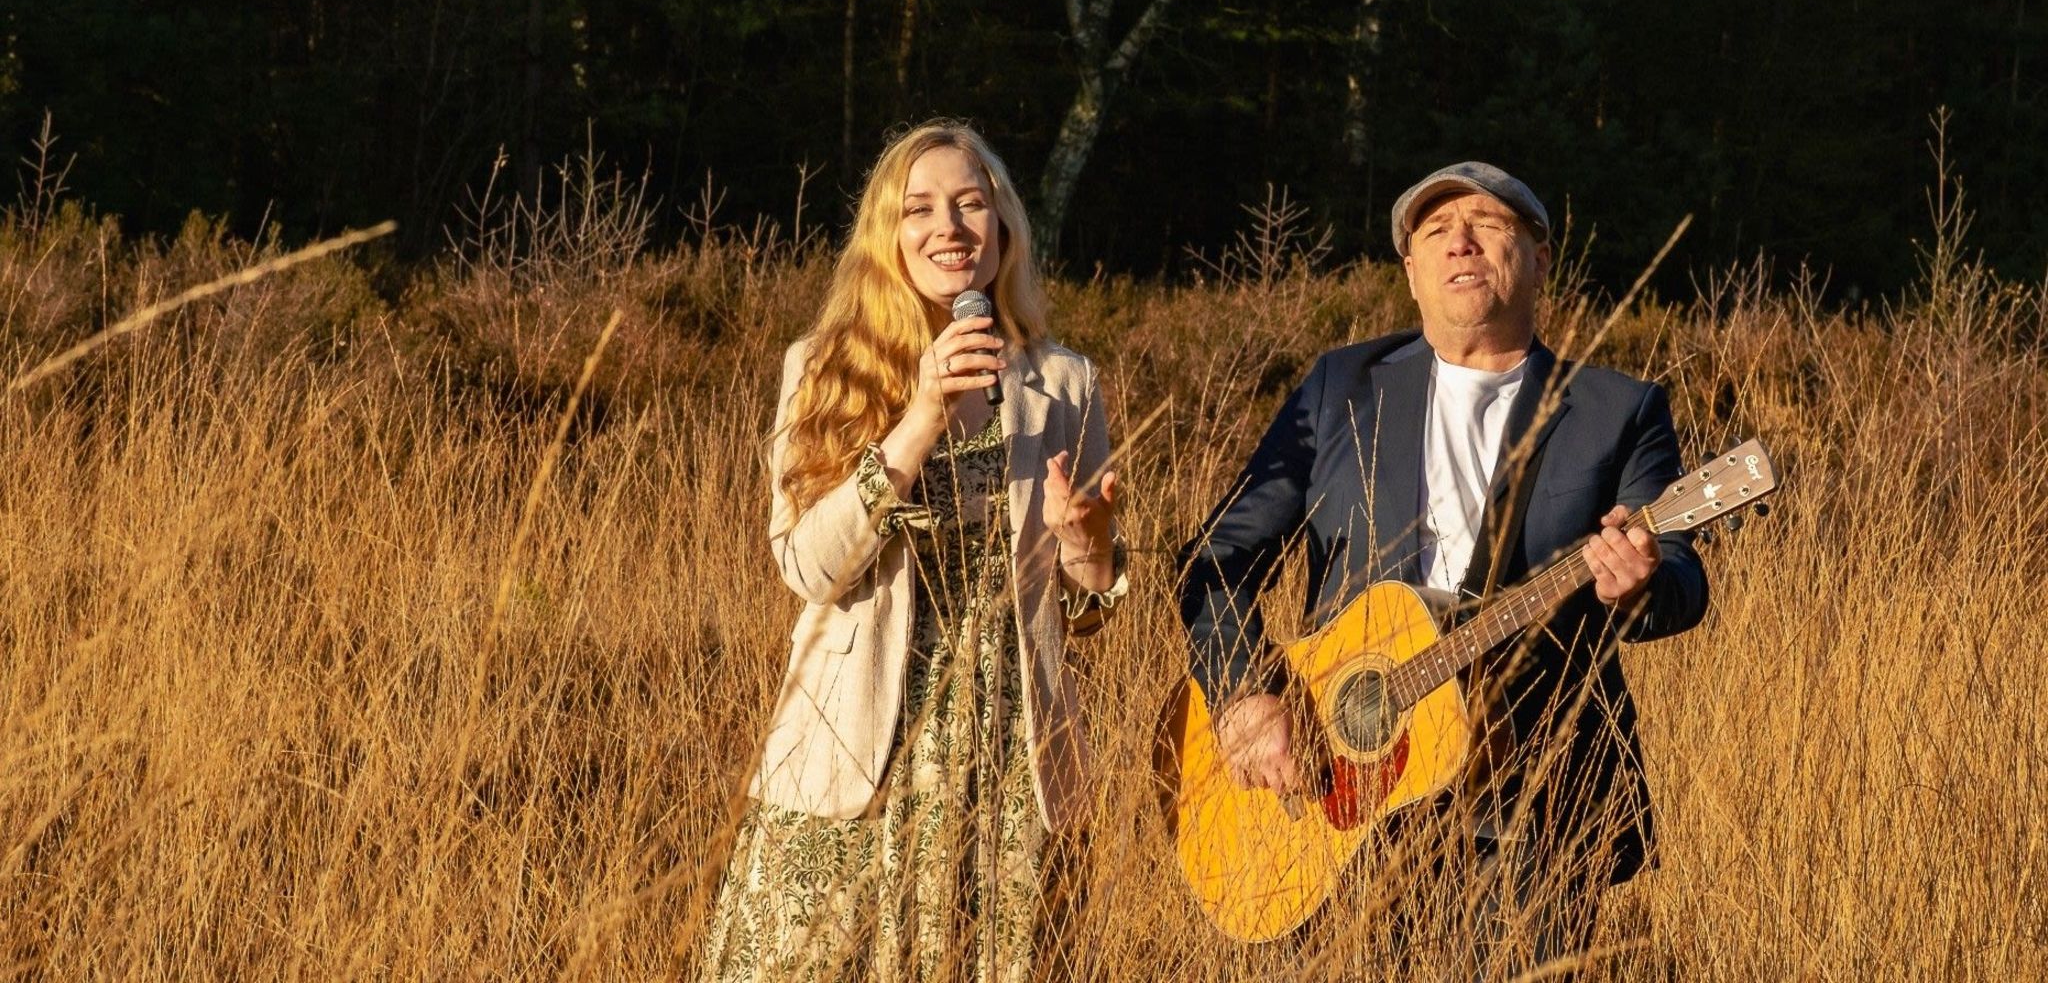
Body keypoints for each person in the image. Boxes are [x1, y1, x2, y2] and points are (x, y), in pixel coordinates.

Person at [1176, 162, 1707, 975]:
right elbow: (1219, 557)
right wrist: (1246, 691)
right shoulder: (1339, 389)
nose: (1460, 239)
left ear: (1538, 256)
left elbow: (1679, 583)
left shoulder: (1616, 409)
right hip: (1334, 798)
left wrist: (1635, 587)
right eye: (1434, 230)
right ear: (1411, 273)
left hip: (1534, 808)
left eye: (1489, 222)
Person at [698, 121, 1127, 983]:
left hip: (1008, 765)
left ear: (1003, 228)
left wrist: (1087, 546)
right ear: (888, 237)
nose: (951, 228)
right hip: (853, 753)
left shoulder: (1065, 381)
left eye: (972, 204)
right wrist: (921, 414)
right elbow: (810, 568)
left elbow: (1086, 612)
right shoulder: (824, 367)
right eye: (920, 208)